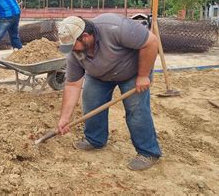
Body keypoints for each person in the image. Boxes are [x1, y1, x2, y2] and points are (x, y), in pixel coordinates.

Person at [56, 14, 162, 171]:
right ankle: (95, 140)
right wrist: (64, 118)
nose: (71, 50)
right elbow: (72, 85)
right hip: (99, 76)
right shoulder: (74, 54)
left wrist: (143, 75)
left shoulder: (115, 27)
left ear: (85, 36)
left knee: (136, 111)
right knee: (91, 103)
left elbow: (151, 42)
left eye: (73, 45)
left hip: (132, 73)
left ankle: (148, 152)